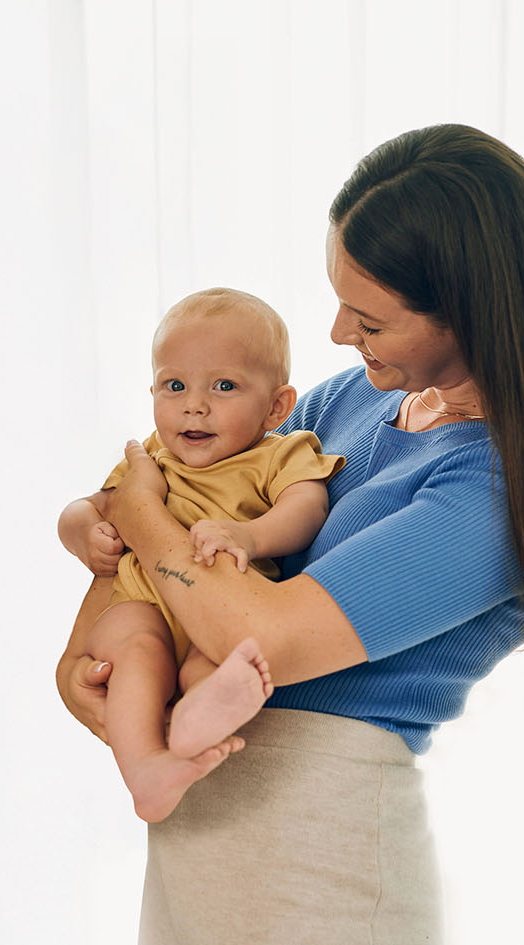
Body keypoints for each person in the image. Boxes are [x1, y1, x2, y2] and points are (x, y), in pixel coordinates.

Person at [57, 124, 524, 945]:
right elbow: (186, 498)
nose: (334, 332)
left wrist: (139, 511)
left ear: (467, 314)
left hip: (319, 849)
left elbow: (251, 630)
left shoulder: (497, 495)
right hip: (200, 831)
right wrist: (87, 653)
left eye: (366, 316)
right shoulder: (348, 404)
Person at [57, 287, 344, 823]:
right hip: (139, 603)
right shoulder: (151, 457)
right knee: (139, 651)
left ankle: (192, 719)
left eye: (225, 385)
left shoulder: (282, 452)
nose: (194, 403)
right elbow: (91, 506)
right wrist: (81, 534)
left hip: (222, 608)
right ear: (152, 391)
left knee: (219, 665)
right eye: (174, 385)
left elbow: (307, 506)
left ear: (277, 406)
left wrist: (252, 537)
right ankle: (144, 769)